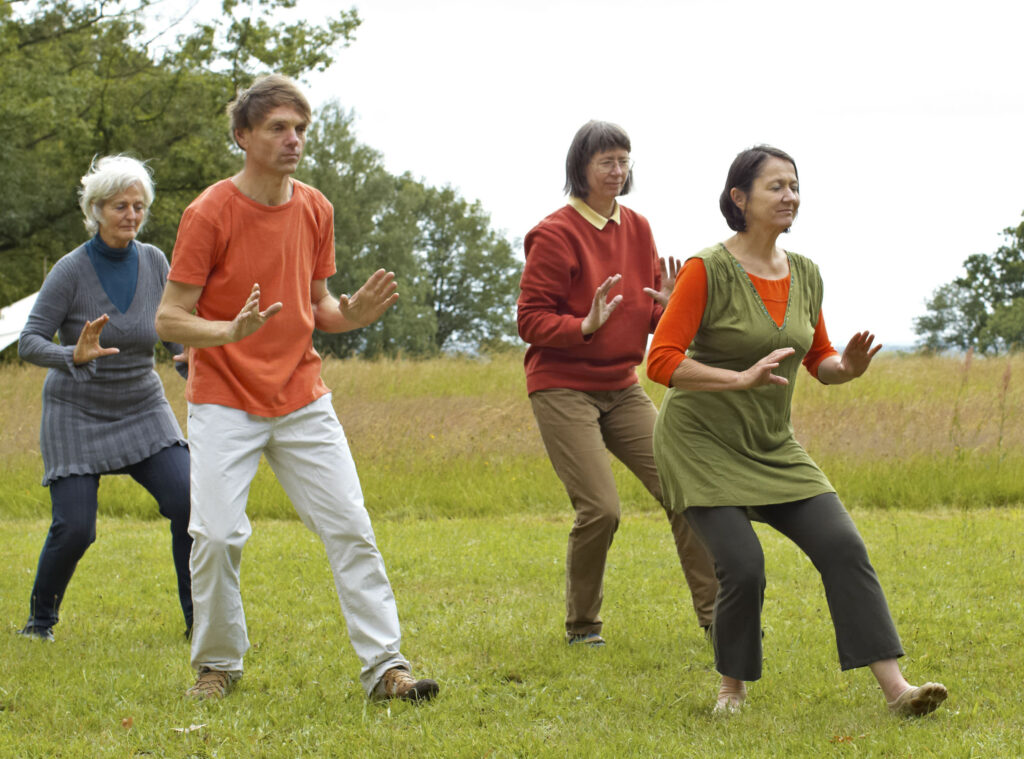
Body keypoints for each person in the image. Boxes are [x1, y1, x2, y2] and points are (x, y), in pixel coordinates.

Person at [155, 74, 438, 702]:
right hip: (224, 398)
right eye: (279, 128)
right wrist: (228, 328)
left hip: (302, 397)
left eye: (301, 129)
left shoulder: (315, 207)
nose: (294, 140)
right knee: (218, 535)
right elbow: (169, 318)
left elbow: (320, 307)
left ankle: (386, 669)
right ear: (243, 136)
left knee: (351, 527)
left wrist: (352, 316)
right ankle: (218, 667)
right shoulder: (211, 212)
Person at [648, 145, 948, 716]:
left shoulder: (806, 273)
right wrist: (737, 379)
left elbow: (821, 359)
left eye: (794, 186)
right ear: (740, 199)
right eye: (776, 187)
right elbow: (660, 360)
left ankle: (898, 690)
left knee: (842, 545)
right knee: (744, 564)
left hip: (771, 443)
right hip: (700, 444)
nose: (790, 197)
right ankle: (731, 690)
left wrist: (847, 369)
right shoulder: (705, 269)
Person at [517, 120, 718, 647]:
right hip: (562, 385)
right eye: (606, 160)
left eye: (624, 160)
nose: (617, 170)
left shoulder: (639, 228)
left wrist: (668, 306)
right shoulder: (554, 233)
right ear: (580, 168)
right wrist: (581, 326)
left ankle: (718, 619)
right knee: (602, 510)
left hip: (622, 384)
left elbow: (647, 320)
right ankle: (583, 626)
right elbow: (530, 321)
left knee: (684, 489)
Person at [17, 155, 192, 642]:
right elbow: (29, 340)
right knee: (76, 528)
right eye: (121, 206)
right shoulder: (71, 270)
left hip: (142, 406)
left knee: (190, 503)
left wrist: (189, 362)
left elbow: (173, 331)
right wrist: (71, 353)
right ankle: (40, 623)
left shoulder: (156, 261)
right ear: (96, 210)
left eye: (139, 206)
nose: (132, 215)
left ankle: (199, 622)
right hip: (77, 410)